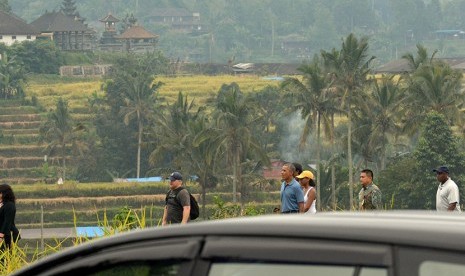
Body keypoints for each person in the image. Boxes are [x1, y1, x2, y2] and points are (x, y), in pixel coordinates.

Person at [0, 183, 19, 250]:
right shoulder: (2, 204)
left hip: (7, 234)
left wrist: (1, 235)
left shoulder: (9, 205)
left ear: (4, 194)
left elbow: (7, 222)